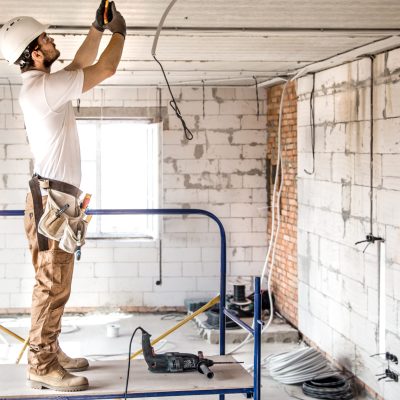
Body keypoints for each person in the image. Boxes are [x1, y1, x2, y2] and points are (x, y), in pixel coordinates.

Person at [0, 1, 126, 392]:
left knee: (55, 283)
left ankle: (50, 350)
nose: (54, 41)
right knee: (51, 285)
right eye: (47, 39)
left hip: (55, 199)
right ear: (36, 53)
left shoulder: (45, 86)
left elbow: (76, 68)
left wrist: (97, 29)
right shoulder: (42, 91)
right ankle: (40, 363)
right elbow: (104, 68)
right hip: (52, 200)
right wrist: (119, 32)